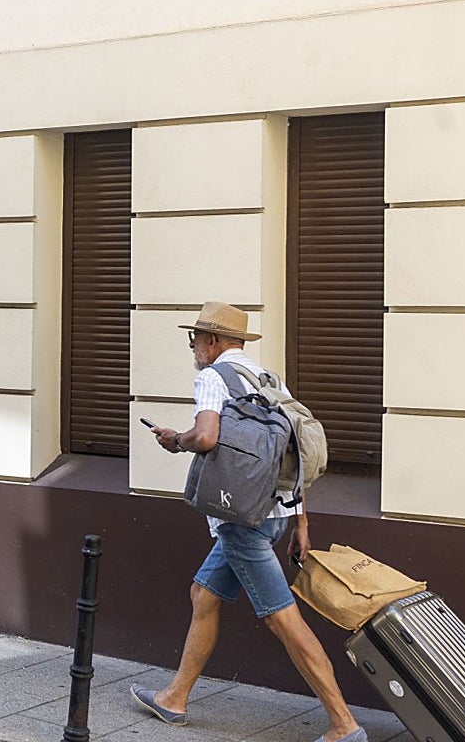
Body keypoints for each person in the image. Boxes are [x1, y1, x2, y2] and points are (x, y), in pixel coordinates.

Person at [130, 301, 367, 742]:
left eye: (196, 339)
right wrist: (300, 523)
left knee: (283, 621)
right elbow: (292, 454)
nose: (194, 348)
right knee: (203, 593)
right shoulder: (267, 379)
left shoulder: (212, 378)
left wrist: (175, 440)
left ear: (215, 341)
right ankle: (174, 697)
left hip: (243, 523)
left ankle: (343, 724)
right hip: (276, 514)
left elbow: (205, 436)